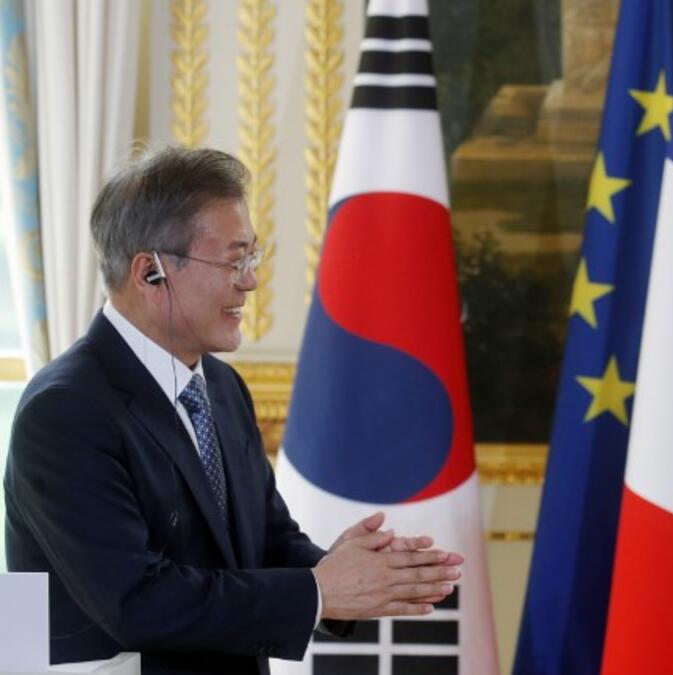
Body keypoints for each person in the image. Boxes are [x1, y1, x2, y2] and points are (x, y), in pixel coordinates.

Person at [3, 146, 463, 673]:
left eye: (253, 257)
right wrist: (319, 591)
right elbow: (135, 603)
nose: (250, 280)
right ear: (150, 272)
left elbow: (263, 541)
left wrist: (341, 571)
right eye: (233, 260)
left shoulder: (220, 386)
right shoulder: (63, 411)